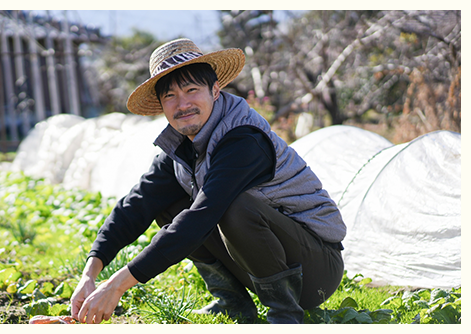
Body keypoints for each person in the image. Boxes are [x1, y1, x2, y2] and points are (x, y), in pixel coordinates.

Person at [70, 38, 346, 324]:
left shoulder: (244, 139)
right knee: (168, 206)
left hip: (316, 269)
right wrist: (90, 273)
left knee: (234, 206)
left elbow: (203, 216)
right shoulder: (182, 145)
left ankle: (285, 314)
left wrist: (116, 286)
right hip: (268, 261)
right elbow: (135, 205)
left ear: (215, 90)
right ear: (162, 106)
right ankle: (233, 302)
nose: (183, 104)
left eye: (191, 90)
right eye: (170, 96)